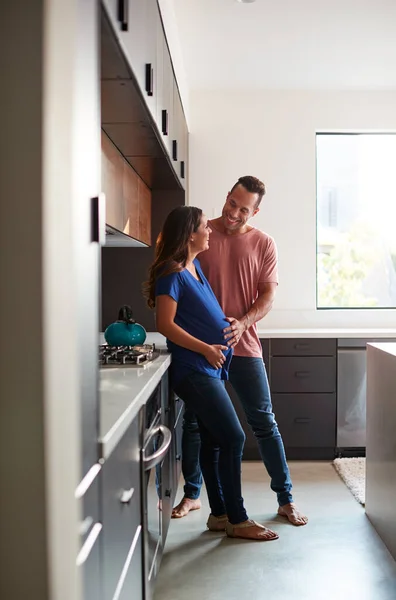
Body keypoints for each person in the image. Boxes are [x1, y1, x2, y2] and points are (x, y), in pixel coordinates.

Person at [171, 176, 308, 527]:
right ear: (228, 196)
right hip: (203, 351)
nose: (233, 213)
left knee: (263, 422)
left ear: (255, 211)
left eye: (243, 209)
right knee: (195, 425)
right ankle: (192, 494)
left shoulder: (263, 243)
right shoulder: (200, 233)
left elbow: (267, 296)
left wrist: (244, 323)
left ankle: (286, 499)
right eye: (231, 202)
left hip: (244, 347)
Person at [144, 205, 279, 541]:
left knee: (213, 440)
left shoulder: (195, 267)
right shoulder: (171, 273)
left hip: (210, 367)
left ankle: (218, 514)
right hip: (194, 370)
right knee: (233, 437)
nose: (210, 231)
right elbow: (164, 324)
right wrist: (205, 348)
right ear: (190, 234)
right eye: (205, 227)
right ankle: (238, 518)